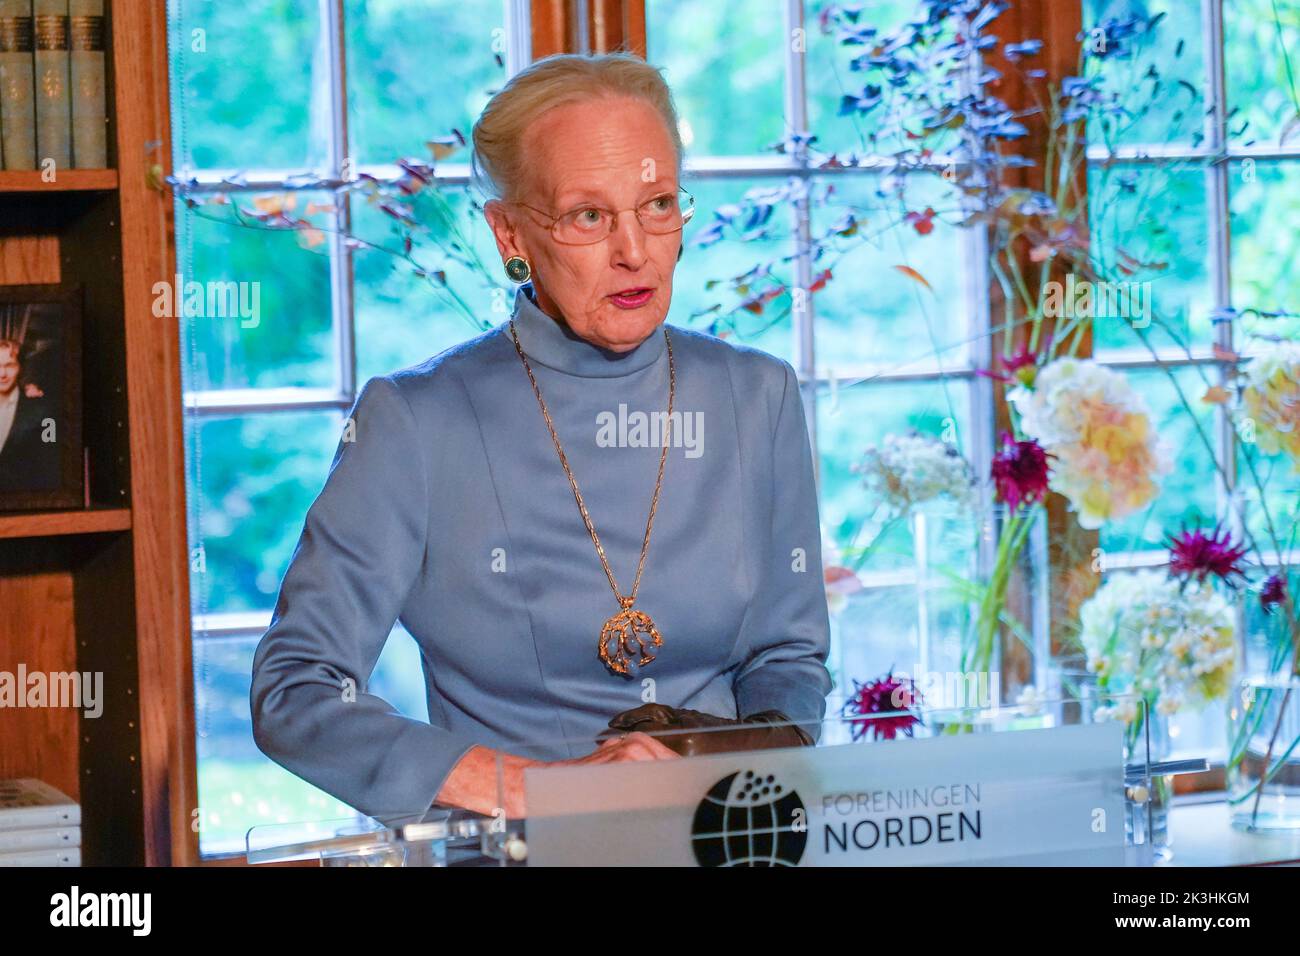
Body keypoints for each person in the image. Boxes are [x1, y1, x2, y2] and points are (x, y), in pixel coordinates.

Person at [250, 53, 832, 825]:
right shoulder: (415, 422)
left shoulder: (758, 396)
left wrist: (737, 784)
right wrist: (528, 788)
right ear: (509, 231)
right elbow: (296, 690)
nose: (634, 251)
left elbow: (787, 662)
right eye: (589, 216)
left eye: (657, 204)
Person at [0, 337, 58, 494]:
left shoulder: (45, 412)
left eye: (9, 365)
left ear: (20, 368)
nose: (2, 373)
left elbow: (51, 462)